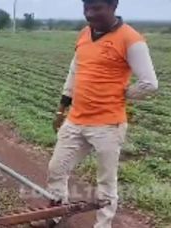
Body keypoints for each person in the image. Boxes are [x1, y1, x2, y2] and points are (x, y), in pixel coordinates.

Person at [47, 0, 158, 227]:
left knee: (106, 182)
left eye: (96, 8)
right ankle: (56, 213)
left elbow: (149, 84)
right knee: (56, 169)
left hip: (108, 125)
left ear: (113, 6)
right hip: (76, 119)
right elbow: (74, 72)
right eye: (87, 8)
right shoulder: (84, 35)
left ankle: (103, 225)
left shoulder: (130, 39)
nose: (90, 14)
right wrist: (62, 107)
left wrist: (122, 93)